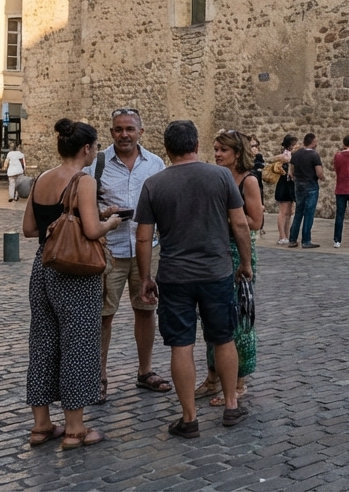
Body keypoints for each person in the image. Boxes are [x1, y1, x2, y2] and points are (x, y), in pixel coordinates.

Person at [135, 120, 253, 437]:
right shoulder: (220, 177)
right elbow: (240, 225)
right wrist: (245, 263)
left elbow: (143, 238)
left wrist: (145, 277)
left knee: (181, 345)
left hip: (174, 276)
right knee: (224, 338)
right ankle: (231, 405)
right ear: (197, 146)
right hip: (216, 271)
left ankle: (189, 418)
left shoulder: (154, 184)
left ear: (168, 149)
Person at [24, 119, 124, 450]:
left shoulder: (41, 178)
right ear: (87, 149)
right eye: (95, 148)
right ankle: (75, 429)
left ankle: (41, 426)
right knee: (79, 344)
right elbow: (93, 232)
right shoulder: (83, 181)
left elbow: (28, 228)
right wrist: (109, 220)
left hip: (44, 265)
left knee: (42, 344)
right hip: (75, 271)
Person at [87, 108, 170, 403]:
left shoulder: (156, 164)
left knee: (146, 310)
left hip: (147, 250)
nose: (124, 134)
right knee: (103, 316)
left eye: (130, 129)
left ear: (140, 132)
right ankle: (98, 376)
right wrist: (104, 213)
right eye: (119, 129)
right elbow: (82, 204)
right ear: (111, 132)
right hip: (108, 250)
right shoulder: (96, 164)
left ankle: (145, 371)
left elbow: (165, 203)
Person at [197, 129, 264, 407]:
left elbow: (256, 221)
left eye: (223, 150)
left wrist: (227, 215)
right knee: (211, 317)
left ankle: (238, 381)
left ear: (237, 154)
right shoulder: (215, 177)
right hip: (214, 252)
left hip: (239, 253)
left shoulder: (247, 181)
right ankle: (213, 376)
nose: (217, 154)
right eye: (215, 149)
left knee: (237, 320)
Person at [288, 133, 323, 248]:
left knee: (299, 212)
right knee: (309, 213)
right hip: (311, 185)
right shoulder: (314, 155)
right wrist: (323, 177)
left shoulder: (296, 154)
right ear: (312, 142)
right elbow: (319, 172)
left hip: (298, 185)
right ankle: (306, 240)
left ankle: (292, 239)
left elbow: (291, 171)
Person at [272, 135, 297, 245]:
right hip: (284, 184)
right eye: (293, 144)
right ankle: (282, 236)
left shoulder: (290, 155)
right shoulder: (285, 155)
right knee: (283, 211)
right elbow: (278, 158)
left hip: (290, 185)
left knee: (289, 212)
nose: (295, 146)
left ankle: (285, 235)